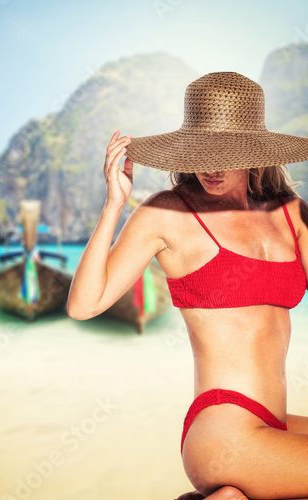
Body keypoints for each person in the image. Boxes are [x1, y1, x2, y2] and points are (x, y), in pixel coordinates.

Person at [67, 72, 308, 499]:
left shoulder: (291, 213)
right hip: (223, 430)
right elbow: (84, 305)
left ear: (256, 153)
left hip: (277, 421)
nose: (209, 167)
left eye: (226, 153)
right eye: (200, 152)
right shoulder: (167, 214)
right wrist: (114, 205)